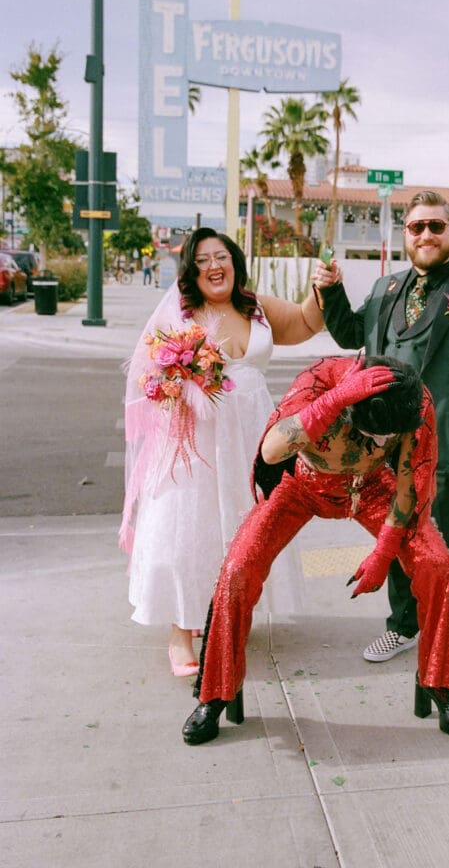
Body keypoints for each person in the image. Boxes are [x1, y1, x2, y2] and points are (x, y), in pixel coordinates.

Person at [182, 355, 449, 745]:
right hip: (300, 485)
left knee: (436, 564)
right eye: (374, 435)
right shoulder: (318, 381)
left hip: (370, 488)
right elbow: (271, 451)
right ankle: (215, 694)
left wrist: (383, 554)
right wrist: (333, 401)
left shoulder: (414, 401)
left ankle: (442, 684)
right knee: (238, 568)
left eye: (388, 438)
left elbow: (410, 482)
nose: (382, 443)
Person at [312, 190, 449, 693]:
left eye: (436, 226)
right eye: (416, 227)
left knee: (448, 545)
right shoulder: (385, 289)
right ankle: (404, 625)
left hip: (445, 440)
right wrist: (331, 290)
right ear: (405, 234)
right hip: (384, 442)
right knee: (398, 537)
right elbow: (348, 334)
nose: (425, 235)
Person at [120, 227, 324, 677]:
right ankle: (181, 631)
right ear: (192, 272)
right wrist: (174, 383)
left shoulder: (258, 307)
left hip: (252, 437)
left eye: (221, 257)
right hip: (195, 442)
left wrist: (321, 286)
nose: (214, 266)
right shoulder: (181, 314)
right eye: (202, 260)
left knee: (242, 529)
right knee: (186, 532)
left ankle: (227, 614)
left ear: (234, 262)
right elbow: (145, 375)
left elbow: (309, 322)